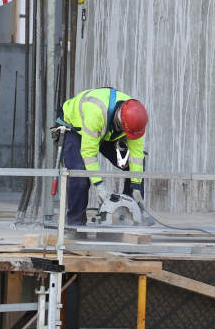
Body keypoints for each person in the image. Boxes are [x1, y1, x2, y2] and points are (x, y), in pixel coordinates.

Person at [57, 87, 148, 226]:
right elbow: (88, 153)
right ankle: (75, 224)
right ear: (120, 121)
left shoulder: (135, 120)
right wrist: (100, 186)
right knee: (80, 173)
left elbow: (136, 156)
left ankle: (129, 214)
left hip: (106, 131)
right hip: (77, 128)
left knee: (135, 163)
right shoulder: (96, 112)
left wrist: (136, 185)